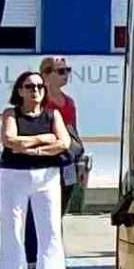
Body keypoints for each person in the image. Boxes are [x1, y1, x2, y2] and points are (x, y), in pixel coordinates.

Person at [0, 72, 68, 269]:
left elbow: (63, 143)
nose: (35, 90)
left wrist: (31, 149)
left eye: (39, 86)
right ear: (20, 91)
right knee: (13, 227)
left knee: (50, 227)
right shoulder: (11, 114)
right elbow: (9, 140)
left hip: (47, 176)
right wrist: (44, 138)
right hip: (14, 175)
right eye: (29, 86)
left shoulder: (53, 115)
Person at [40, 57, 87, 214]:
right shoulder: (39, 102)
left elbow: (74, 133)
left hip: (67, 162)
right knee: (45, 210)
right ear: (45, 75)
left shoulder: (69, 102)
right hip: (46, 162)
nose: (65, 75)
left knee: (60, 208)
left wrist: (80, 163)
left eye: (68, 70)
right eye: (60, 71)